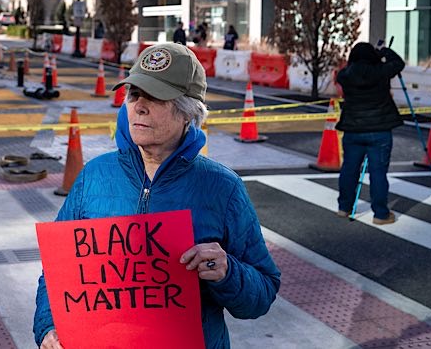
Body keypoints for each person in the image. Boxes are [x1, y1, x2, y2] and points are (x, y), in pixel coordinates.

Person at [34, 43, 280, 349]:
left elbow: (263, 292)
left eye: (155, 97)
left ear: (187, 112)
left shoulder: (222, 188)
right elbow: (56, 273)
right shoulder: (94, 176)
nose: (139, 106)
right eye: (134, 95)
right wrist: (48, 327)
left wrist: (227, 271)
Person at [335, 42, 405, 225]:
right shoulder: (381, 71)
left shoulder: (345, 75)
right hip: (380, 130)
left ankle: (344, 207)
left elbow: (344, 73)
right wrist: (383, 51)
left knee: (349, 169)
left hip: (353, 129)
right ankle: (380, 214)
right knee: (378, 173)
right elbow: (398, 63)